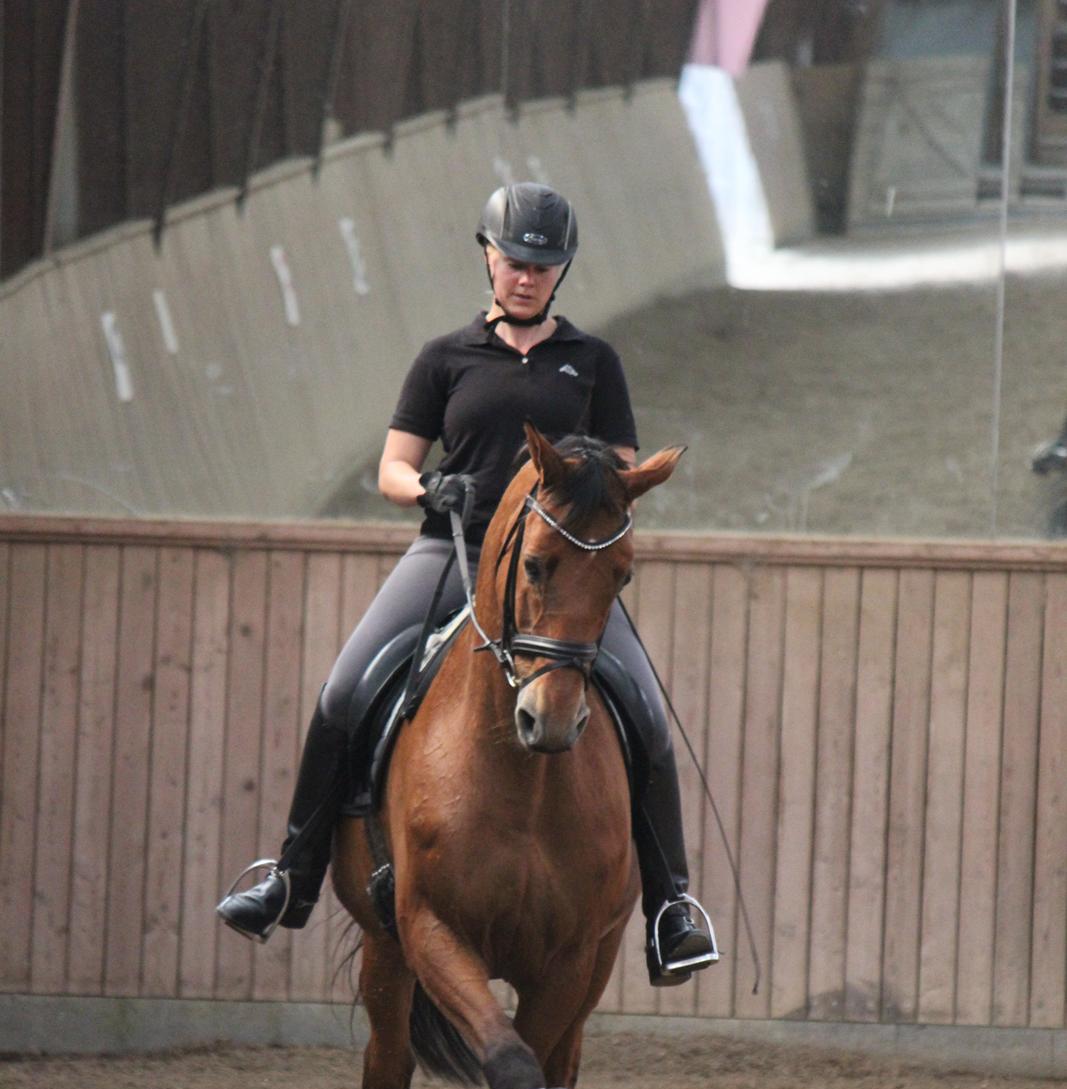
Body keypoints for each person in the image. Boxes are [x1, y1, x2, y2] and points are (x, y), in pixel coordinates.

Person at [217, 183, 716, 985]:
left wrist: (593, 475)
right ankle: (290, 875)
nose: (527, 277)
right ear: (487, 257)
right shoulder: (445, 358)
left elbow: (620, 469)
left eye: (543, 266)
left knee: (646, 718)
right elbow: (392, 466)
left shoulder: (592, 362)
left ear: (561, 272)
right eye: (515, 261)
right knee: (344, 691)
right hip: (450, 549)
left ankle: (671, 909)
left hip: (554, 571)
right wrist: (426, 492)